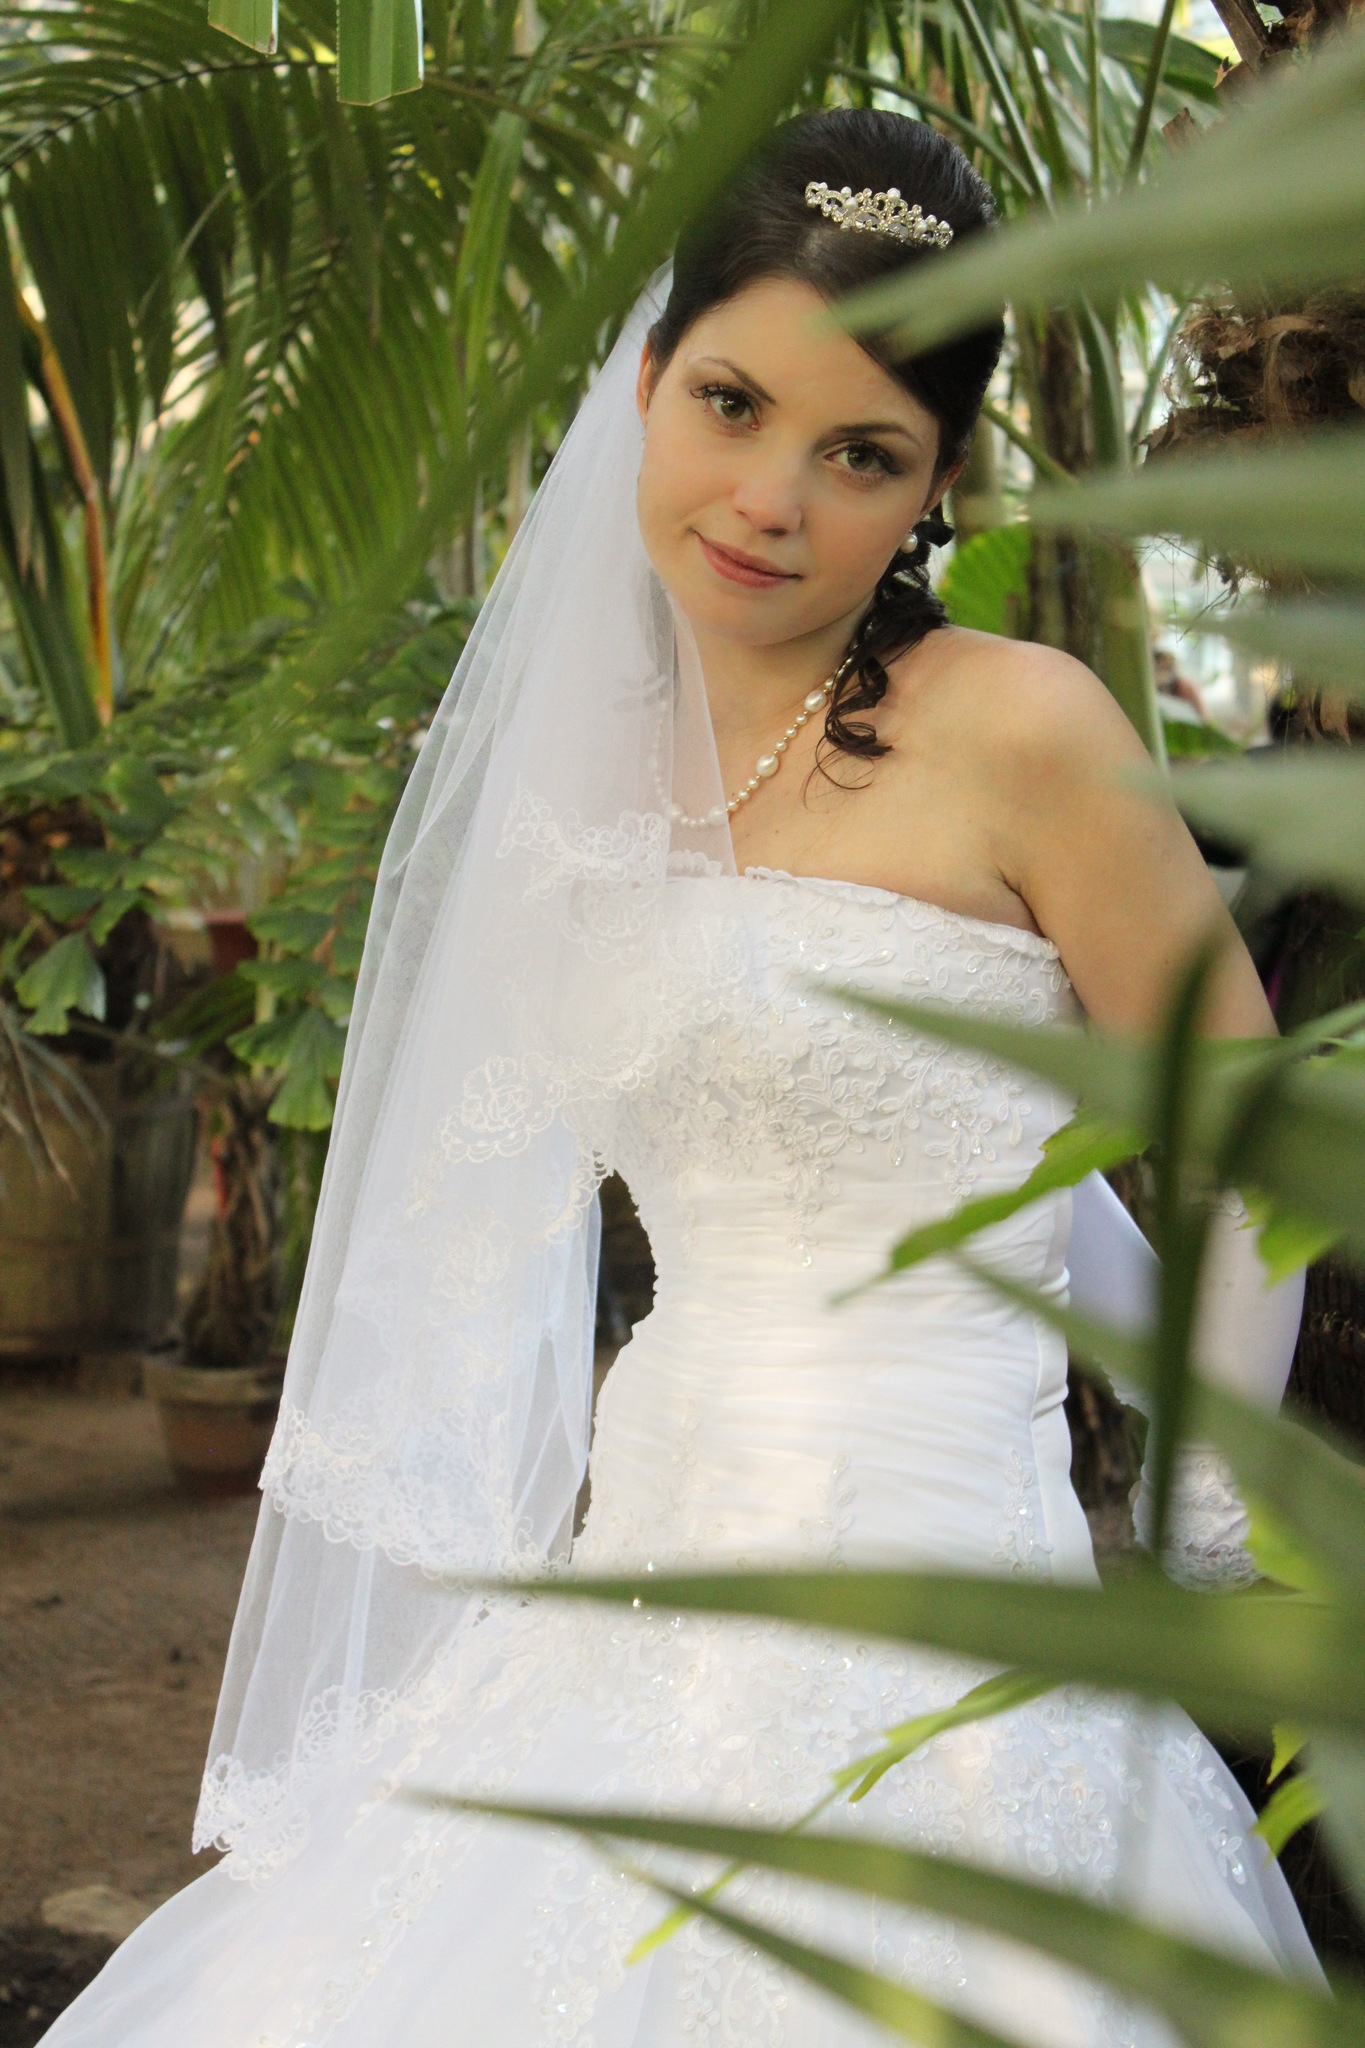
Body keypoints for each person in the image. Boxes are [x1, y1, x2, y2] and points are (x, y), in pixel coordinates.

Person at [43, 109, 1316, 2048]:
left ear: (937, 485)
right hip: (641, 1579)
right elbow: (518, 1208)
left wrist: (1202, 1518)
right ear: (645, 382)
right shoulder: (565, 769)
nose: (768, 499)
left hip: (952, 1625)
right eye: (730, 404)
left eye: (859, 453)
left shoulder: (1023, 734)